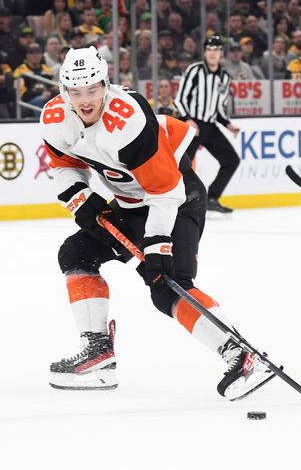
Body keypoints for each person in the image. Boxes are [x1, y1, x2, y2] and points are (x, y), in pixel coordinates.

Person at [40, 44, 274, 400]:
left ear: (106, 85)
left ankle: (239, 354)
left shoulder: (127, 121)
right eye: (75, 91)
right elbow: (63, 165)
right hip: (133, 201)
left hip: (178, 195)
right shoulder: (56, 119)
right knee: (75, 254)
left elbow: (166, 191)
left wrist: (158, 245)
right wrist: (80, 197)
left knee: (168, 285)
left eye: (92, 89)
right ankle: (98, 352)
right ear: (64, 92)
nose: (84, 100)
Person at [174, 35, 240, 214]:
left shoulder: (224, 78)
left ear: (221, 53)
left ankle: (212, 198)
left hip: (210, 127)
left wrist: (228, 124)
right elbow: (180, 99)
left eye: (217, 50)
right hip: (191, 126)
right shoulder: (195, 70)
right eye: (209, 50)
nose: (213, 53)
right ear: (204, 52)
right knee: (180, 167)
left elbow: (219, 108)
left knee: (231, 161)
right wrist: (188, 119)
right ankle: (175, 201)